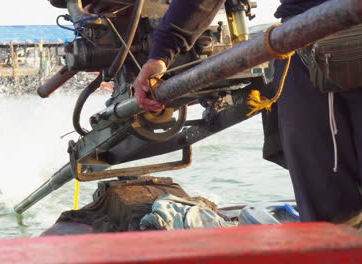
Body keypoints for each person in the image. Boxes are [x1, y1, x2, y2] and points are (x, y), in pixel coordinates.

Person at [133, 0, 362, 226]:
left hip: (308, 40)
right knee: (326, 208)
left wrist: (161, 52)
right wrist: (161, 54)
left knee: (326, 205)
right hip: (304, 45)